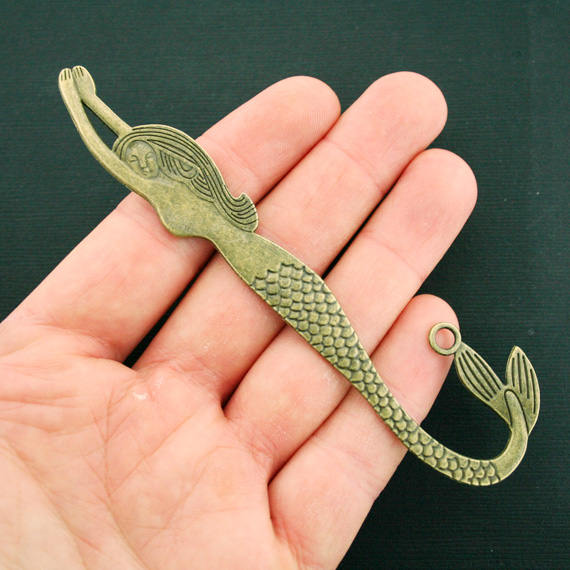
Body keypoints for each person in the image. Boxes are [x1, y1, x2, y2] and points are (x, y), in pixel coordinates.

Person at [0, 70, 476, 568]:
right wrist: (86, 103)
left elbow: (125, 146)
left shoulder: (190, 190)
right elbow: (120, 150)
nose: (137, 166)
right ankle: (419, 434)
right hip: (265, 271)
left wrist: (86, 102)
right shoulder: (170, 192)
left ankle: (419, 433)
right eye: (136, 161)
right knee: (356, 367)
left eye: (144, 158)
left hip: (276, 272)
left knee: (354, 363)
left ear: (170, 161)